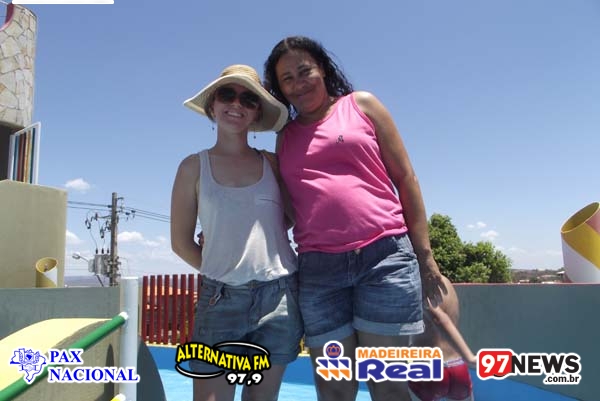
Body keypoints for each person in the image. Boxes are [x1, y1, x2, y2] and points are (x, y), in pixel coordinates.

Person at [263, 36, 446, 401]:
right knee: (334, 388)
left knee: (388, 385)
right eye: (287, 79)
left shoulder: (362, 104)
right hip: (319, 273)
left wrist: (425, 257)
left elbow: (406, 178)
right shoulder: (285, 137)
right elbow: (287, 209)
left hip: (384, 260)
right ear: (280, 89)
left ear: (323, 69)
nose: (298, 84)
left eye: (304, 71)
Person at [170, 64, 303, 401]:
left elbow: (290, 218)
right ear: (212, 105)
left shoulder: (273, 163)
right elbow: (180, 242)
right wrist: (222, 269)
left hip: (280, 298)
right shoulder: (192, 167)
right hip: (220, 300)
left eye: (249, 99)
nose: (236, 104)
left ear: (257, 111)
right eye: (227, 94)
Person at [408, 275, 476, 401]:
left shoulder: (419, 285)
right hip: (458, 366)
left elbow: (438, 318)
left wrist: (470, 357)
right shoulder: (447, 284)